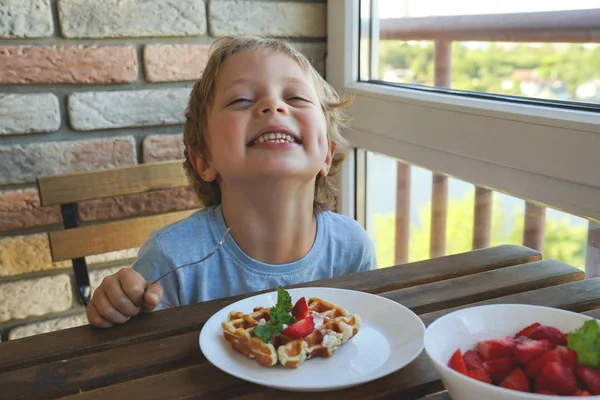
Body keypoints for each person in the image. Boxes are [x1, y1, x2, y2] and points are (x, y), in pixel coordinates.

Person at [86, 36, 377, 328]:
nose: (273, 105)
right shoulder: (171, 259)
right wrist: (115, 306)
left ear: (327, 153)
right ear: (204, 159)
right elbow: (138, 348)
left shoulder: (352, 248)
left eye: (296, 98)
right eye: (241, 100)